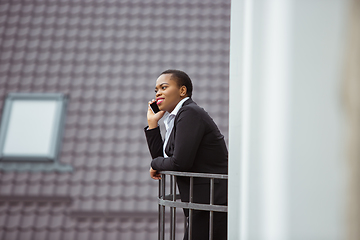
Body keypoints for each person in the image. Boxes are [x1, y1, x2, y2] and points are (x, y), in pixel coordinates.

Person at [144, 69, 228, 240]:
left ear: (182, 91)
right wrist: (153, 124)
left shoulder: (190, 113)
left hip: (212, 201)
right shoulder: (176, 118)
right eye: (156, 90)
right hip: (202, 203)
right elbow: (163, 158)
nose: (158, 92)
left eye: (164, 87)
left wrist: (155, 165)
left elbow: (179, 163)